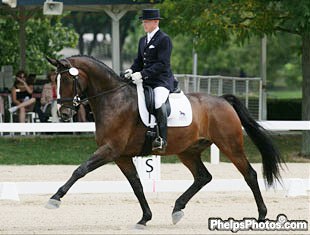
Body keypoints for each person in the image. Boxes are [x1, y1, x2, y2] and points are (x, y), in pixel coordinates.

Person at [124, 9, 176, 151]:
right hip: (145, 80)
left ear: (156, 22)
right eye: (143, 22)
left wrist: (142, 74)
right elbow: (139, 61)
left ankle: (162, 139)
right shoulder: (143, 40)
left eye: (147, 22)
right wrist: (131, 70)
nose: (144, 24)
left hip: (161, 80)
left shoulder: (164, 39)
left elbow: (162, 64)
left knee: (158, 101)